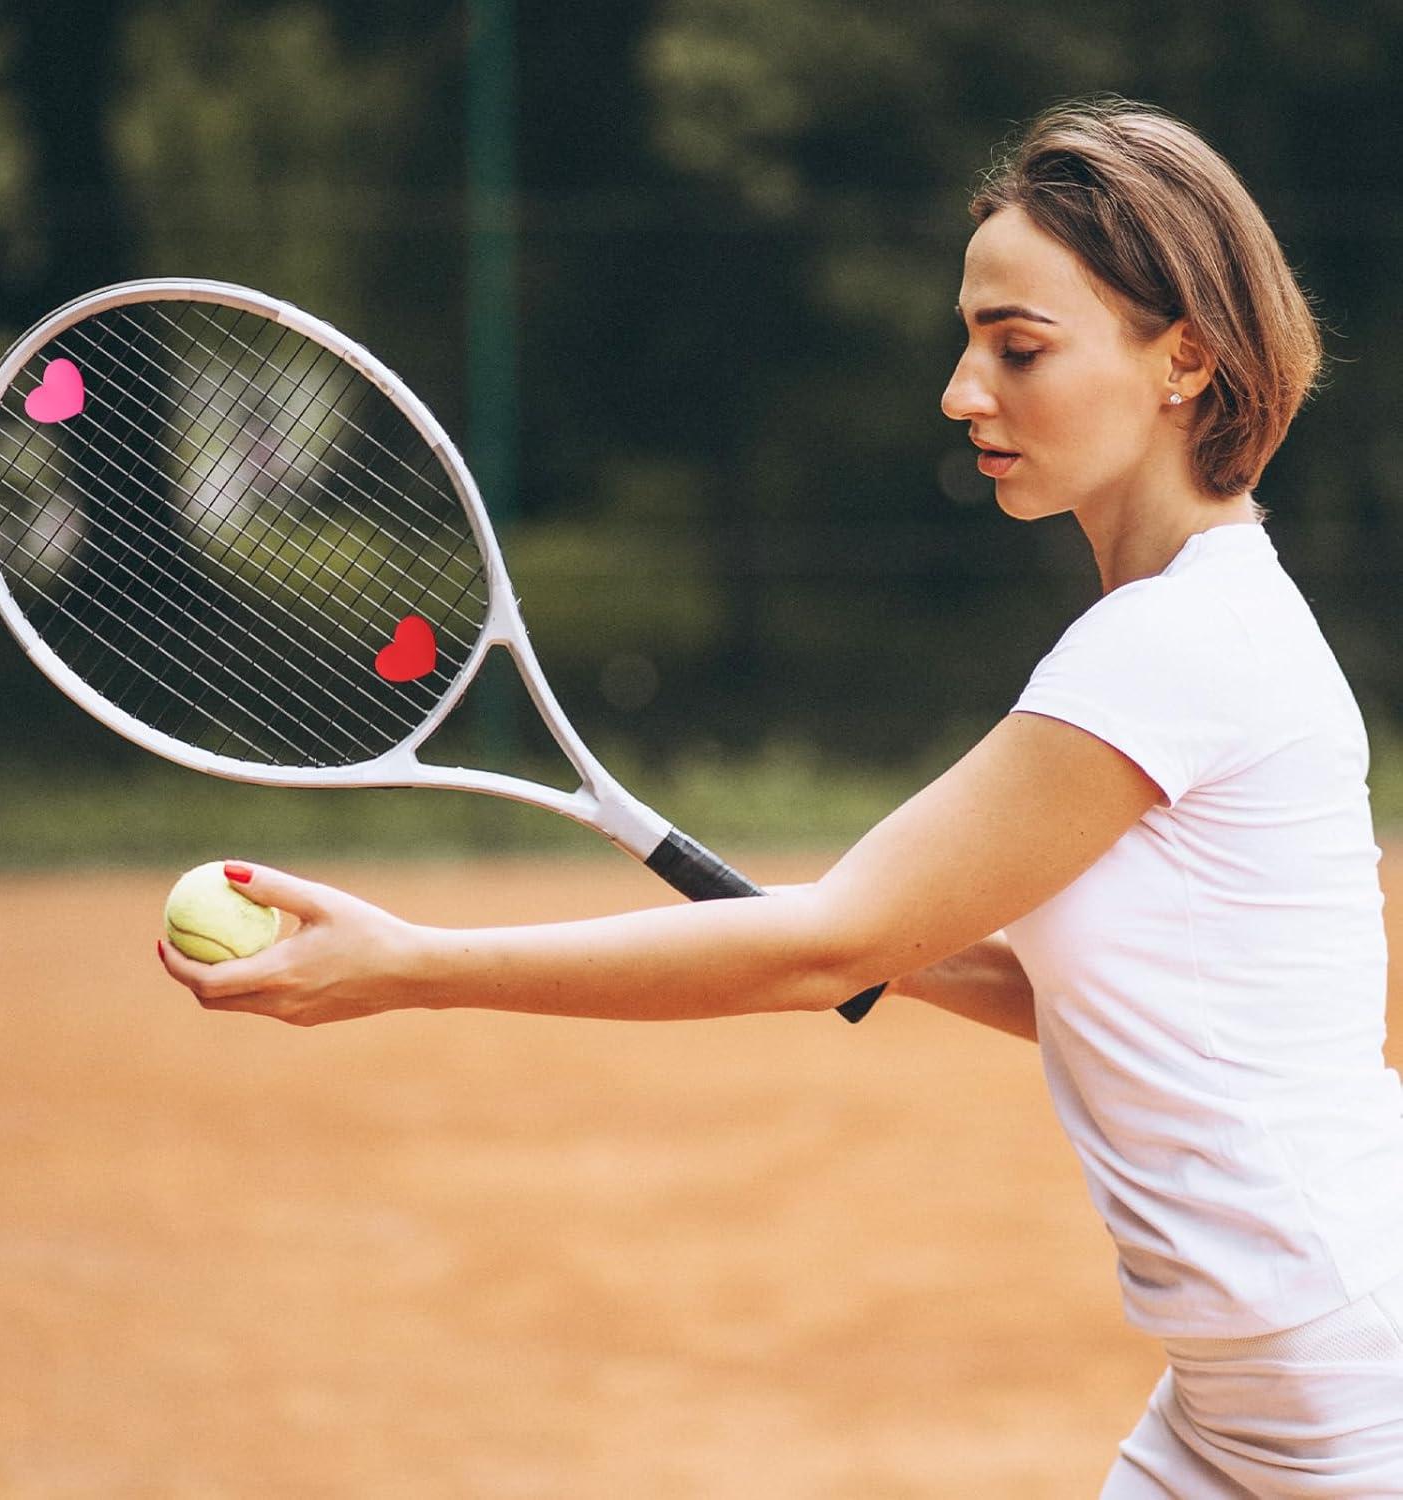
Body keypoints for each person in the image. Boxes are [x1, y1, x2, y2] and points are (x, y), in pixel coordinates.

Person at [159, 95, 1403, 1495]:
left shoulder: (1171, 645)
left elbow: (828, 945)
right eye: (969, 337)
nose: (961, 389)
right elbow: (1112, 987)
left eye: (1018, 347)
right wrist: (913, 953)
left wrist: (415, 966)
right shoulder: (1207, 617)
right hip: (1257, 1380)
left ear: (1184, 358)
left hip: (1344, 1383)